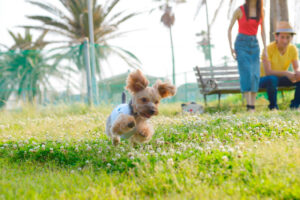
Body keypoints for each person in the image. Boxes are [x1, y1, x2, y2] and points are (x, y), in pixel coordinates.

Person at [228, 0, 267, 112]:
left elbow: (263, 31)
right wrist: (231, 47)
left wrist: (265, 49)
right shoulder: (239, 10)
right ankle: (249, 106)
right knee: (246, 74)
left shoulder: (261, 10)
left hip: (255, 44)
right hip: (241, 44)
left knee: (255, 74)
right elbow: (229, 29)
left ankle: (252, 106)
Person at [259, 21, 300, 110]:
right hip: (264, 79)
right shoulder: (268, 49)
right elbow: (268, 72)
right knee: (272, 79)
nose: (285, 41)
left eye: (288, 37)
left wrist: (297, 72)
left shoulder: (293, 49)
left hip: (279, 79)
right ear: (276, 37)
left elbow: (296, 67)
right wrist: (286, 73)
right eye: (282, 37)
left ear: (291, 38)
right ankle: (273, 107)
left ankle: (295, 106)